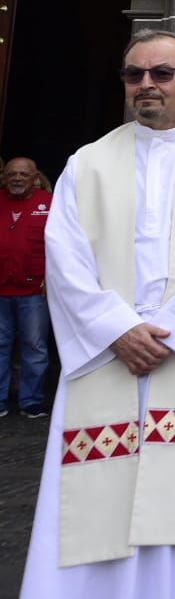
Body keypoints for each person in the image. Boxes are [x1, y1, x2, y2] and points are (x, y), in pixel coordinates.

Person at [20, 29, 175, 598]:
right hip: (107, 354)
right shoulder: (88, 163)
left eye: (162, 74)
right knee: (93, 495)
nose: (146, 85)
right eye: (135, 75)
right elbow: (65, 257)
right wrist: (118, 329)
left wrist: (168, 333)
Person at [1, 156, 53, 418]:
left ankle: (31, 401)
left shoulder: (49, 204)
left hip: (35, 290)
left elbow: (60, 247)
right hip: (1, 289)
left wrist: (52, 278)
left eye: (23, 174)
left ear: (35, 178)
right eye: (12, 174)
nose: (17, 178)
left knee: (35, 347)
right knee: (0, 345)